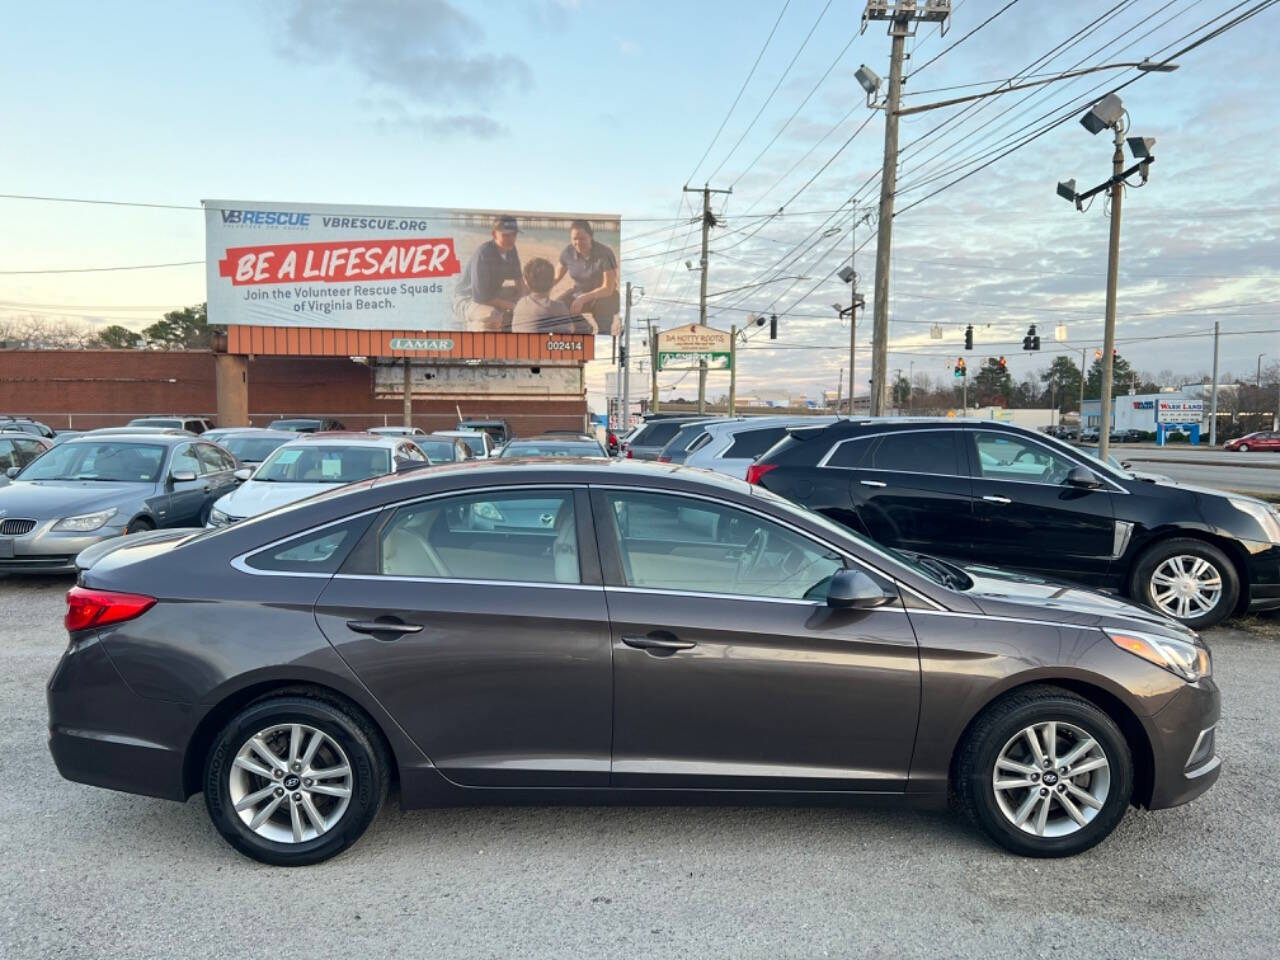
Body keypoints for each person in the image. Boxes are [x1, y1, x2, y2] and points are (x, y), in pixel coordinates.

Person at [453, 215, 525, 331]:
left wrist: (525, 302)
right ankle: (471, 325)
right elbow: (481, 297)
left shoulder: (511, 249)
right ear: (494, 234)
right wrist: (514, 307)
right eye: (506, 235)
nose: (511, 239)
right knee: (493, 315)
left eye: (514, 234)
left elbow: (519, 281)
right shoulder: (484, 254)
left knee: (530, 293)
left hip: (493, 294)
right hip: (468, 298)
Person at [554, 219, 619, 335]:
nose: (578, 243)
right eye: (574, 239)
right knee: (557, 307)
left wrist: (583, 298)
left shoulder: (605, 253)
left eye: (582, 239)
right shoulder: (568, 252)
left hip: (604, 296)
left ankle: (603, 338)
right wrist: (535, 290)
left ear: (591, 237)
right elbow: (555, 277)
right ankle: (584, 328)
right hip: (578, 292)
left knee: (603, 310)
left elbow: (608, 288)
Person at [512, 258, 573, 332]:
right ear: (552, 282)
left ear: (527, 283)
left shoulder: (520, 304)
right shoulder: (558, 308)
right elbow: (569, 331)